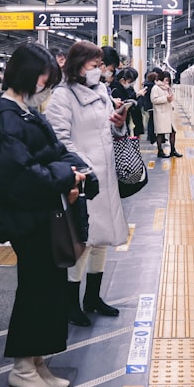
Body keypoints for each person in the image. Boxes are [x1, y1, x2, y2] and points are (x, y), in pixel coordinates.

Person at [0, 42, 87, 387]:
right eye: (45, 76)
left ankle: (36, 362)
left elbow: (50, 153)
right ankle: (21, 367)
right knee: (36, 290)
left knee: (47, 287)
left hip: (39, 213)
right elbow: (18, 174)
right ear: (28, 73)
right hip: (26, 217)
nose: (47, 84)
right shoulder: (5, 116)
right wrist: (66, 176)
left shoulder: (22, 111)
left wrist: (72, 169)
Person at [45, 41, 130, 327]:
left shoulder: (103, 91)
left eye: (100, 66)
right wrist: (85, 167)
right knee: (82, 241)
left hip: (105, 178)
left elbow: (107, 128)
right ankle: (71, 303)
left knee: (102, 240)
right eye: (95, 66)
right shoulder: (62, 96)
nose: (100, 71)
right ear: (78, 65)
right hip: (83, 178)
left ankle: (92, 297)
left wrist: (118, 123)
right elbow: (58, 138)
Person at [150, 70, 182, 158]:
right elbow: (154, 100)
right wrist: (165, 98)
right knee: (160, 133)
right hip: (161, 114)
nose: (167, 82)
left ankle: (173, 150)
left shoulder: (167, 88)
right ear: (161, 79)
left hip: (169, 113)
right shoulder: (155, 88)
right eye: (166, 79)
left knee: (173, 132)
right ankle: (160, 151)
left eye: (168, 80)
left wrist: (171, 101)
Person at [109, 67, 141, 136]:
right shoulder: (116, 90)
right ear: (123, 80)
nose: (132, 84)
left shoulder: (123, 88)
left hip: (123, 122)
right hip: (117, 123)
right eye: (130, 82)